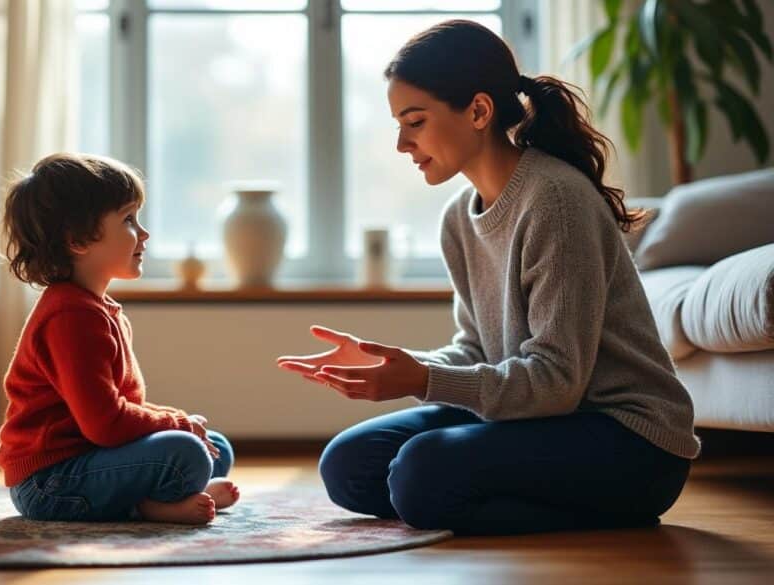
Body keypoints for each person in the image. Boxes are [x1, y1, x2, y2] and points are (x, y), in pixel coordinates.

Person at [277, 20, 699, 535]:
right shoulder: (459, 216)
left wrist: (424, 380)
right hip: (538, 420)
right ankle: (473, 493)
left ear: (478, 111)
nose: (401, 145)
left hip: (628, 441)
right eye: (398, 124)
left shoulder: (556, 201)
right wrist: (400, 365)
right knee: (348, 463)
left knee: (421, 474)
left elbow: (557, 383)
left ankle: (612, 507)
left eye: (415, 121)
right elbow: (478, 350)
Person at [0, 153, 238, 525]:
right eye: (128, 219)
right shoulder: (70, 317)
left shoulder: (96, 308)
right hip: (49, 484)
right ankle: (147, 507)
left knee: (214, 447)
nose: (144, 233)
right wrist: (178, 423)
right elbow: (106, 424)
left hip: (91, 455)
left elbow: (118, 410)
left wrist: (180, 422)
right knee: (187, 449)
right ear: (78, 240)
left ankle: (178, 488)